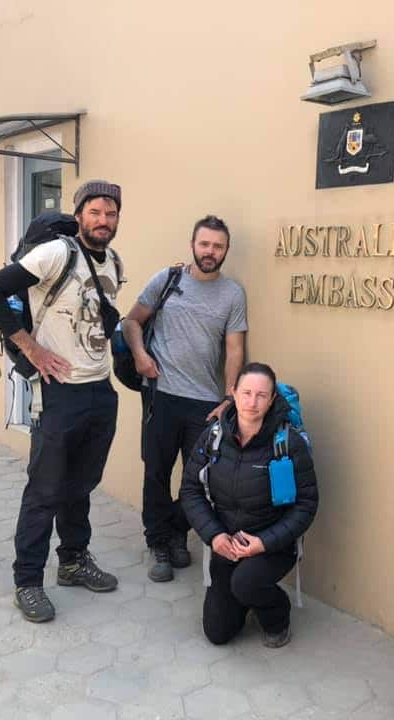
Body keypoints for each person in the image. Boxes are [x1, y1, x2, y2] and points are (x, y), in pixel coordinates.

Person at [0, 180, 124, 623]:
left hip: (100, 389)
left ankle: (74, 561)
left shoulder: (114, 260)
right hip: (59, 393)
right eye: (95, 212)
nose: (103, 220)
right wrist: (32, 348)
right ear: (79, 215)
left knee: (80, 485)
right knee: (45, 491)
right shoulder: (56, 253)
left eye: (111, 213)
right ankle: (28, 581)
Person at [121, 215, 247, 583]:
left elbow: (235, 348)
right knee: (156, 473)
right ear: (193, 244)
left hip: (205, 403)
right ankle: (159, 543)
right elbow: (132, 322)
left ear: (226, 250)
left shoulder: (233, 293)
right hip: (161, 396)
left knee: (203, 479)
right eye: (205, 244)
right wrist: (141, 356)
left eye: (218, 246)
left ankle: (178, 531)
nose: (210, 252)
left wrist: (230, 396)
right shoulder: (167, 280)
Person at [180, 362, 318, 647]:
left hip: (272, 545)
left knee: (246, 583)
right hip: (226, 543)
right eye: (246, 393)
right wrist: (214, 535)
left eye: (261, 395)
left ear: (272, 400)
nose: (252, 402)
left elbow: (306, 505)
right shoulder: (214, 437)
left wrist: (263, 543)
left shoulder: (288, 444)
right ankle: (244, 595)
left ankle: (277, 615)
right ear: (233, 393)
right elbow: (190, 490)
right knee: (217, 633)